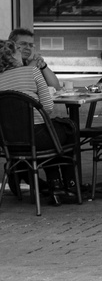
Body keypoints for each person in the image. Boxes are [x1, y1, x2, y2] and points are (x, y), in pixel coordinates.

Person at [0, 39, 77, 203]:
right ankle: (69, 185)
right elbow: (47, 107)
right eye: (19, 51)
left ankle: (54, 184)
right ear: (13, 56)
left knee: (50, 134)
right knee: (67, 130)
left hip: (8, 143)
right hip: (38, 137)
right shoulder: (32, 72)